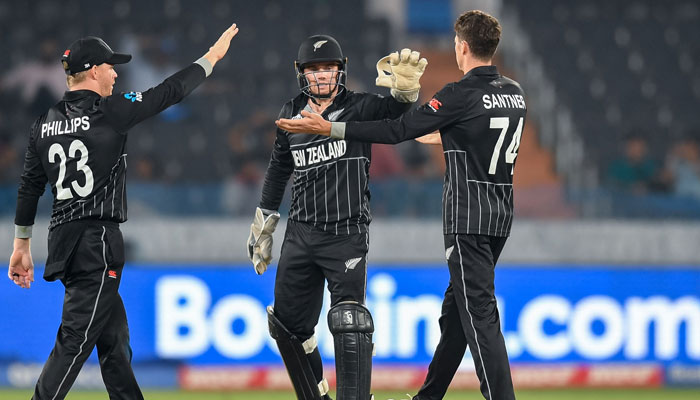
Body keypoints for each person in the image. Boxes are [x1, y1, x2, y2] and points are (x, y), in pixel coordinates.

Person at [277, 10, 523, 400]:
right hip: (501, 215)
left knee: (479, 319)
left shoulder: (460, 94)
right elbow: (477, 136)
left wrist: (332, 127)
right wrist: (440, 132)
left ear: (461, 47)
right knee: (456, 317)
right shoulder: (514, 92)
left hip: (468, 218)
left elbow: (397, 130)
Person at [7, 24, 239, 400]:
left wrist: (21, 244)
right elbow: (169, 92)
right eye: (111, 67)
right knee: (75, 340)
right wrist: (211, 58)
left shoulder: (43, 123)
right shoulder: (110, 112)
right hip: (96, 242)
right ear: (94, 70)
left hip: (63, 241)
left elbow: (30, 186)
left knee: (114, 345)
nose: (116, 73)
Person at [246, 34, 427, 400]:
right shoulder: (288, 113)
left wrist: (405, 94)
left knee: (350, 321)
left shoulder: (359, 107)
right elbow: (278, 170)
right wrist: (264, 223)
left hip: (346, 233)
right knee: (286, 327)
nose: (322, 76)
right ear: (300, 74)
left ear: (341, 71)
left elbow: (395, 113)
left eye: (328, 68)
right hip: (300, 233)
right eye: (314, 70)